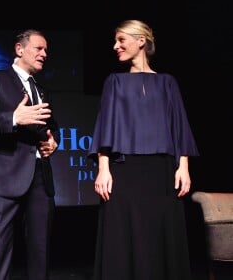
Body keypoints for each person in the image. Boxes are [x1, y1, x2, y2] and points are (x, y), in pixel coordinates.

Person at [88, 19, 199, 280]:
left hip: (162, 170)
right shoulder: (113, 81)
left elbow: (179, 125)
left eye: (121, 40)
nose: (116, 46)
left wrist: (183, 166)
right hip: (125, 171)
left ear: (141, 41)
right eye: (115, 41)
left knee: (161, 233)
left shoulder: (168, 82)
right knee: (123, 233)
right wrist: (103, 169)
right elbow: (105, 128)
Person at [0, 29, 60, 280]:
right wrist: (14, 118)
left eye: (46, 50)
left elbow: (51, 127)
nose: (44, 54)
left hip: (40, 179)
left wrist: (53, 141)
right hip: (3, 179)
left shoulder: (41, 88)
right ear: (19, 49)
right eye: (39, 48)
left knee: (41, 253)